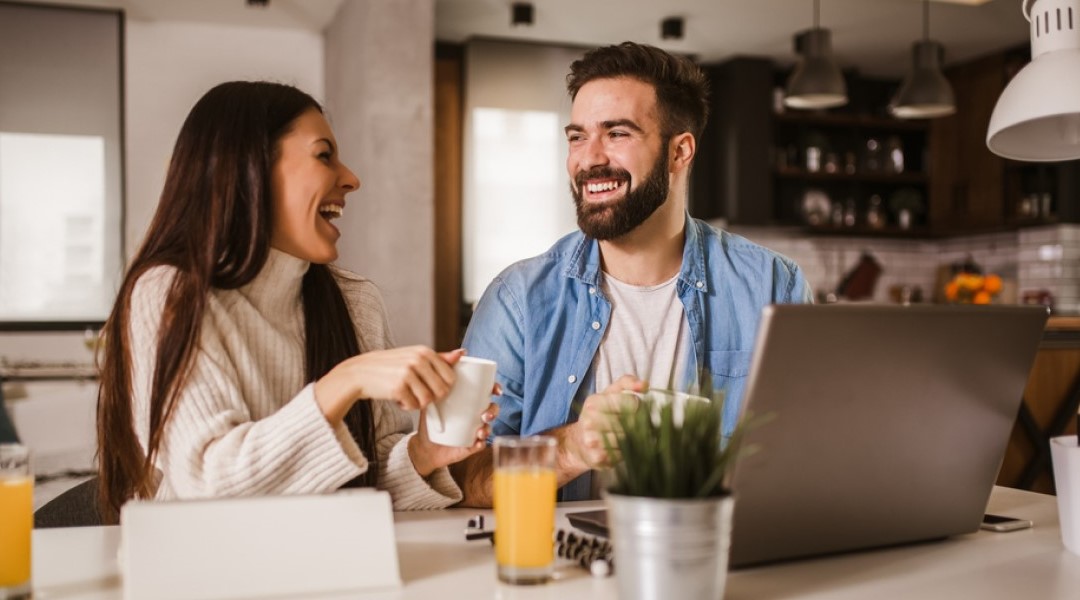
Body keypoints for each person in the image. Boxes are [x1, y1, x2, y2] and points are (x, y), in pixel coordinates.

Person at [96, 81, 495, 522]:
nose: (351, 179)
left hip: (326, 569)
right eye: (324, 155)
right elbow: (205, 484)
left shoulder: (355, 301)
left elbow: (360, 482)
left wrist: (423, 452)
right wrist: (345, 382)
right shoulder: (169, 293)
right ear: (249, 167)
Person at [451, 43, 812, 505]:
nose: (589, 159)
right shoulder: (517, 299)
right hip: (565, 567)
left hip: (714, 554)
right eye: (577, 136)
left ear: (679, 152)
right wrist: (571, 449)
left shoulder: (772, 286)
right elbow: (463, 477)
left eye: (616, 133)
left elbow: (805, 454)